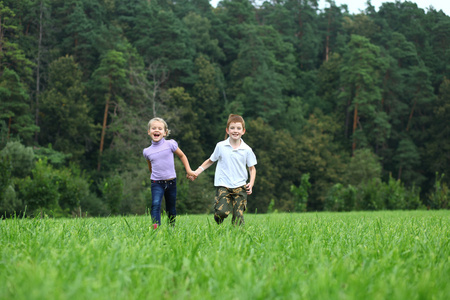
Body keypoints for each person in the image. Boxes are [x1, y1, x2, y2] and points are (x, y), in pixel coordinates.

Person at [192, 114, 257, 226]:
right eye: (232, 128)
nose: (235, 131)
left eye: (238, 128)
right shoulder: (220, 146)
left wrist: (251, 183)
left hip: (240, 185)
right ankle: (218, 218)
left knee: (238, 218)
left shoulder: (247, 149)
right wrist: (197, 171)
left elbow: (252, 169)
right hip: (223, 184)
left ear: (243, 131)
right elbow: (210, 160)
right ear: (227, 130)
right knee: (221, 212)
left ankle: (237, 238)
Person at [143, 117, 196, 228]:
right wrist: (156, 175)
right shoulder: (147, 151)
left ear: (165, 133)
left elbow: (182, 155)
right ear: (149, 132)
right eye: (153, 128)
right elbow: (150, 167)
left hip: (171, 182)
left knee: (171, 208)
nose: (156, 130)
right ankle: (156, 226)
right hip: (156, 182)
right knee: (156, 204)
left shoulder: (170, 144)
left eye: (160, 128)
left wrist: (189, 170)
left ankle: (171, 227)